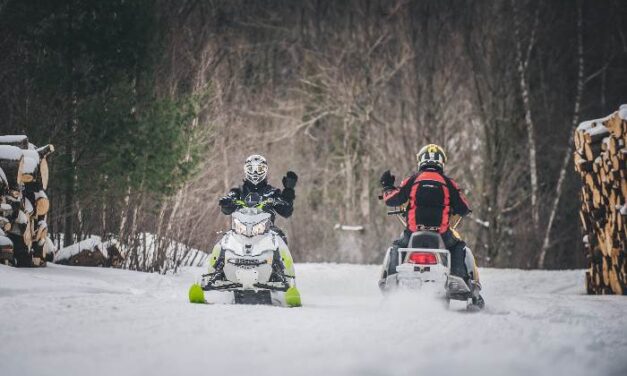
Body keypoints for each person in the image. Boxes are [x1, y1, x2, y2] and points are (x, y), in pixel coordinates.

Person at [380, 144, 483, 304]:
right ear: (441, 162)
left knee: (397, 246)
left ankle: (391, 279)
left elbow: (393, 198)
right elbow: (463, 208)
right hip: (441, 233)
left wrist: (387, 186)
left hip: (413, 232)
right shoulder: (449, 183)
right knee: (458, 247)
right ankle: (457, 278)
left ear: (421, 160)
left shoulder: (412, 180)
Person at [210, 154, 297, 277]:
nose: (255, 172)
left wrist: (288, 191)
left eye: (259, 169)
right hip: (241, 229)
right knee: (225, 239)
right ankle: (214, 272)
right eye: (252, 169)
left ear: (265, 171)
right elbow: (227, 208)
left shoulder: (272, 192)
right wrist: (226, 202)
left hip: (266, 229)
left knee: (280, 238)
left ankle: (287, 276)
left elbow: (286, 211)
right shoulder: (238, 191)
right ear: (246, 170)